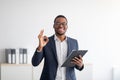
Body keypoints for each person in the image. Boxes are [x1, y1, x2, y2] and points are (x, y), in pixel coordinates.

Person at [32, 15, 84, 80]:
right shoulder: (46, 42)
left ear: (67, 26)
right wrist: (40, 47)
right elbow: (35, 63)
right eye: (58, 23)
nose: (61, 26)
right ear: (53, 26)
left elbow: (76, 64)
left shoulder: (74, 42)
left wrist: (80, 65)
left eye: (63, 23)